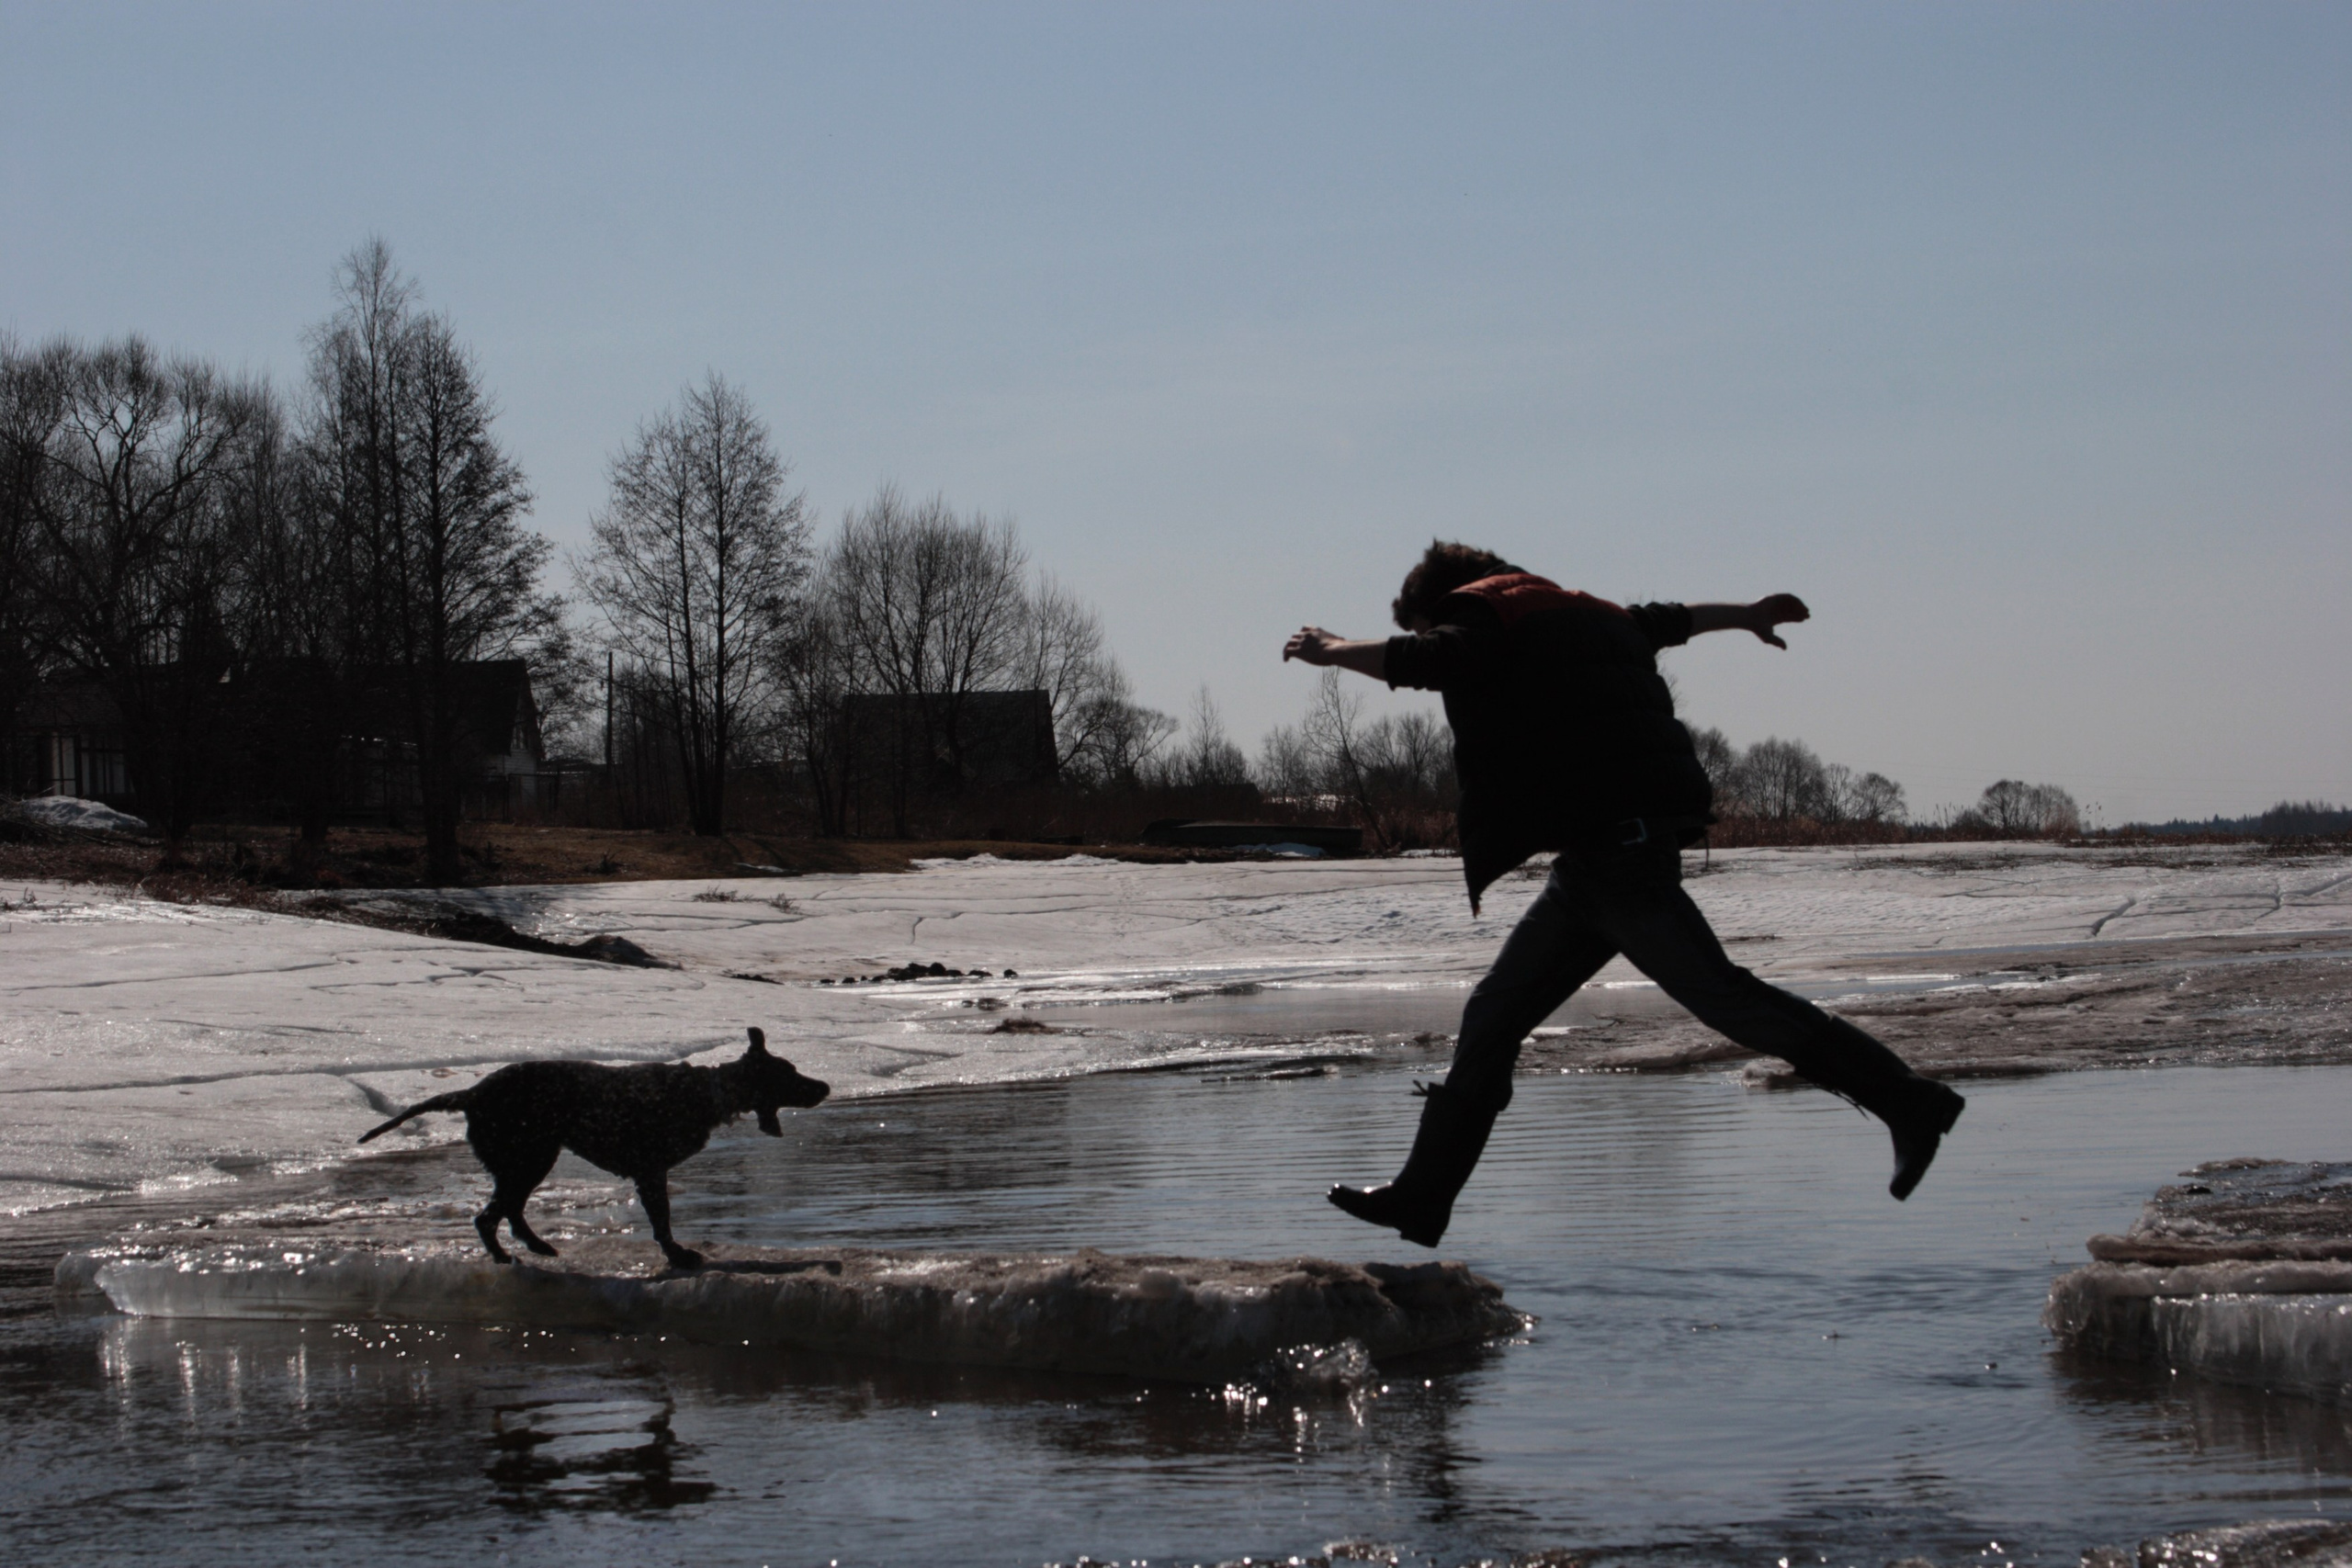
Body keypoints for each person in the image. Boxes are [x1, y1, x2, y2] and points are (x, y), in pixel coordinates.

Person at [1284, 541, 1963, 1248]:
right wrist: (1749, 614)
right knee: (1493, 1012)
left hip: (1618, 860)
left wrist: (1332, 648)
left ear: (1444, 601)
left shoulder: (1480, 613)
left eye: (1428, 623)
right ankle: (1424, 1198)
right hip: (1599, 860)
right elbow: (1673, 619)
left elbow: (1427, 662)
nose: (1433, 634)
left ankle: (1908, 1100)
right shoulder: (1580, 612)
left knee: (1726, 996)